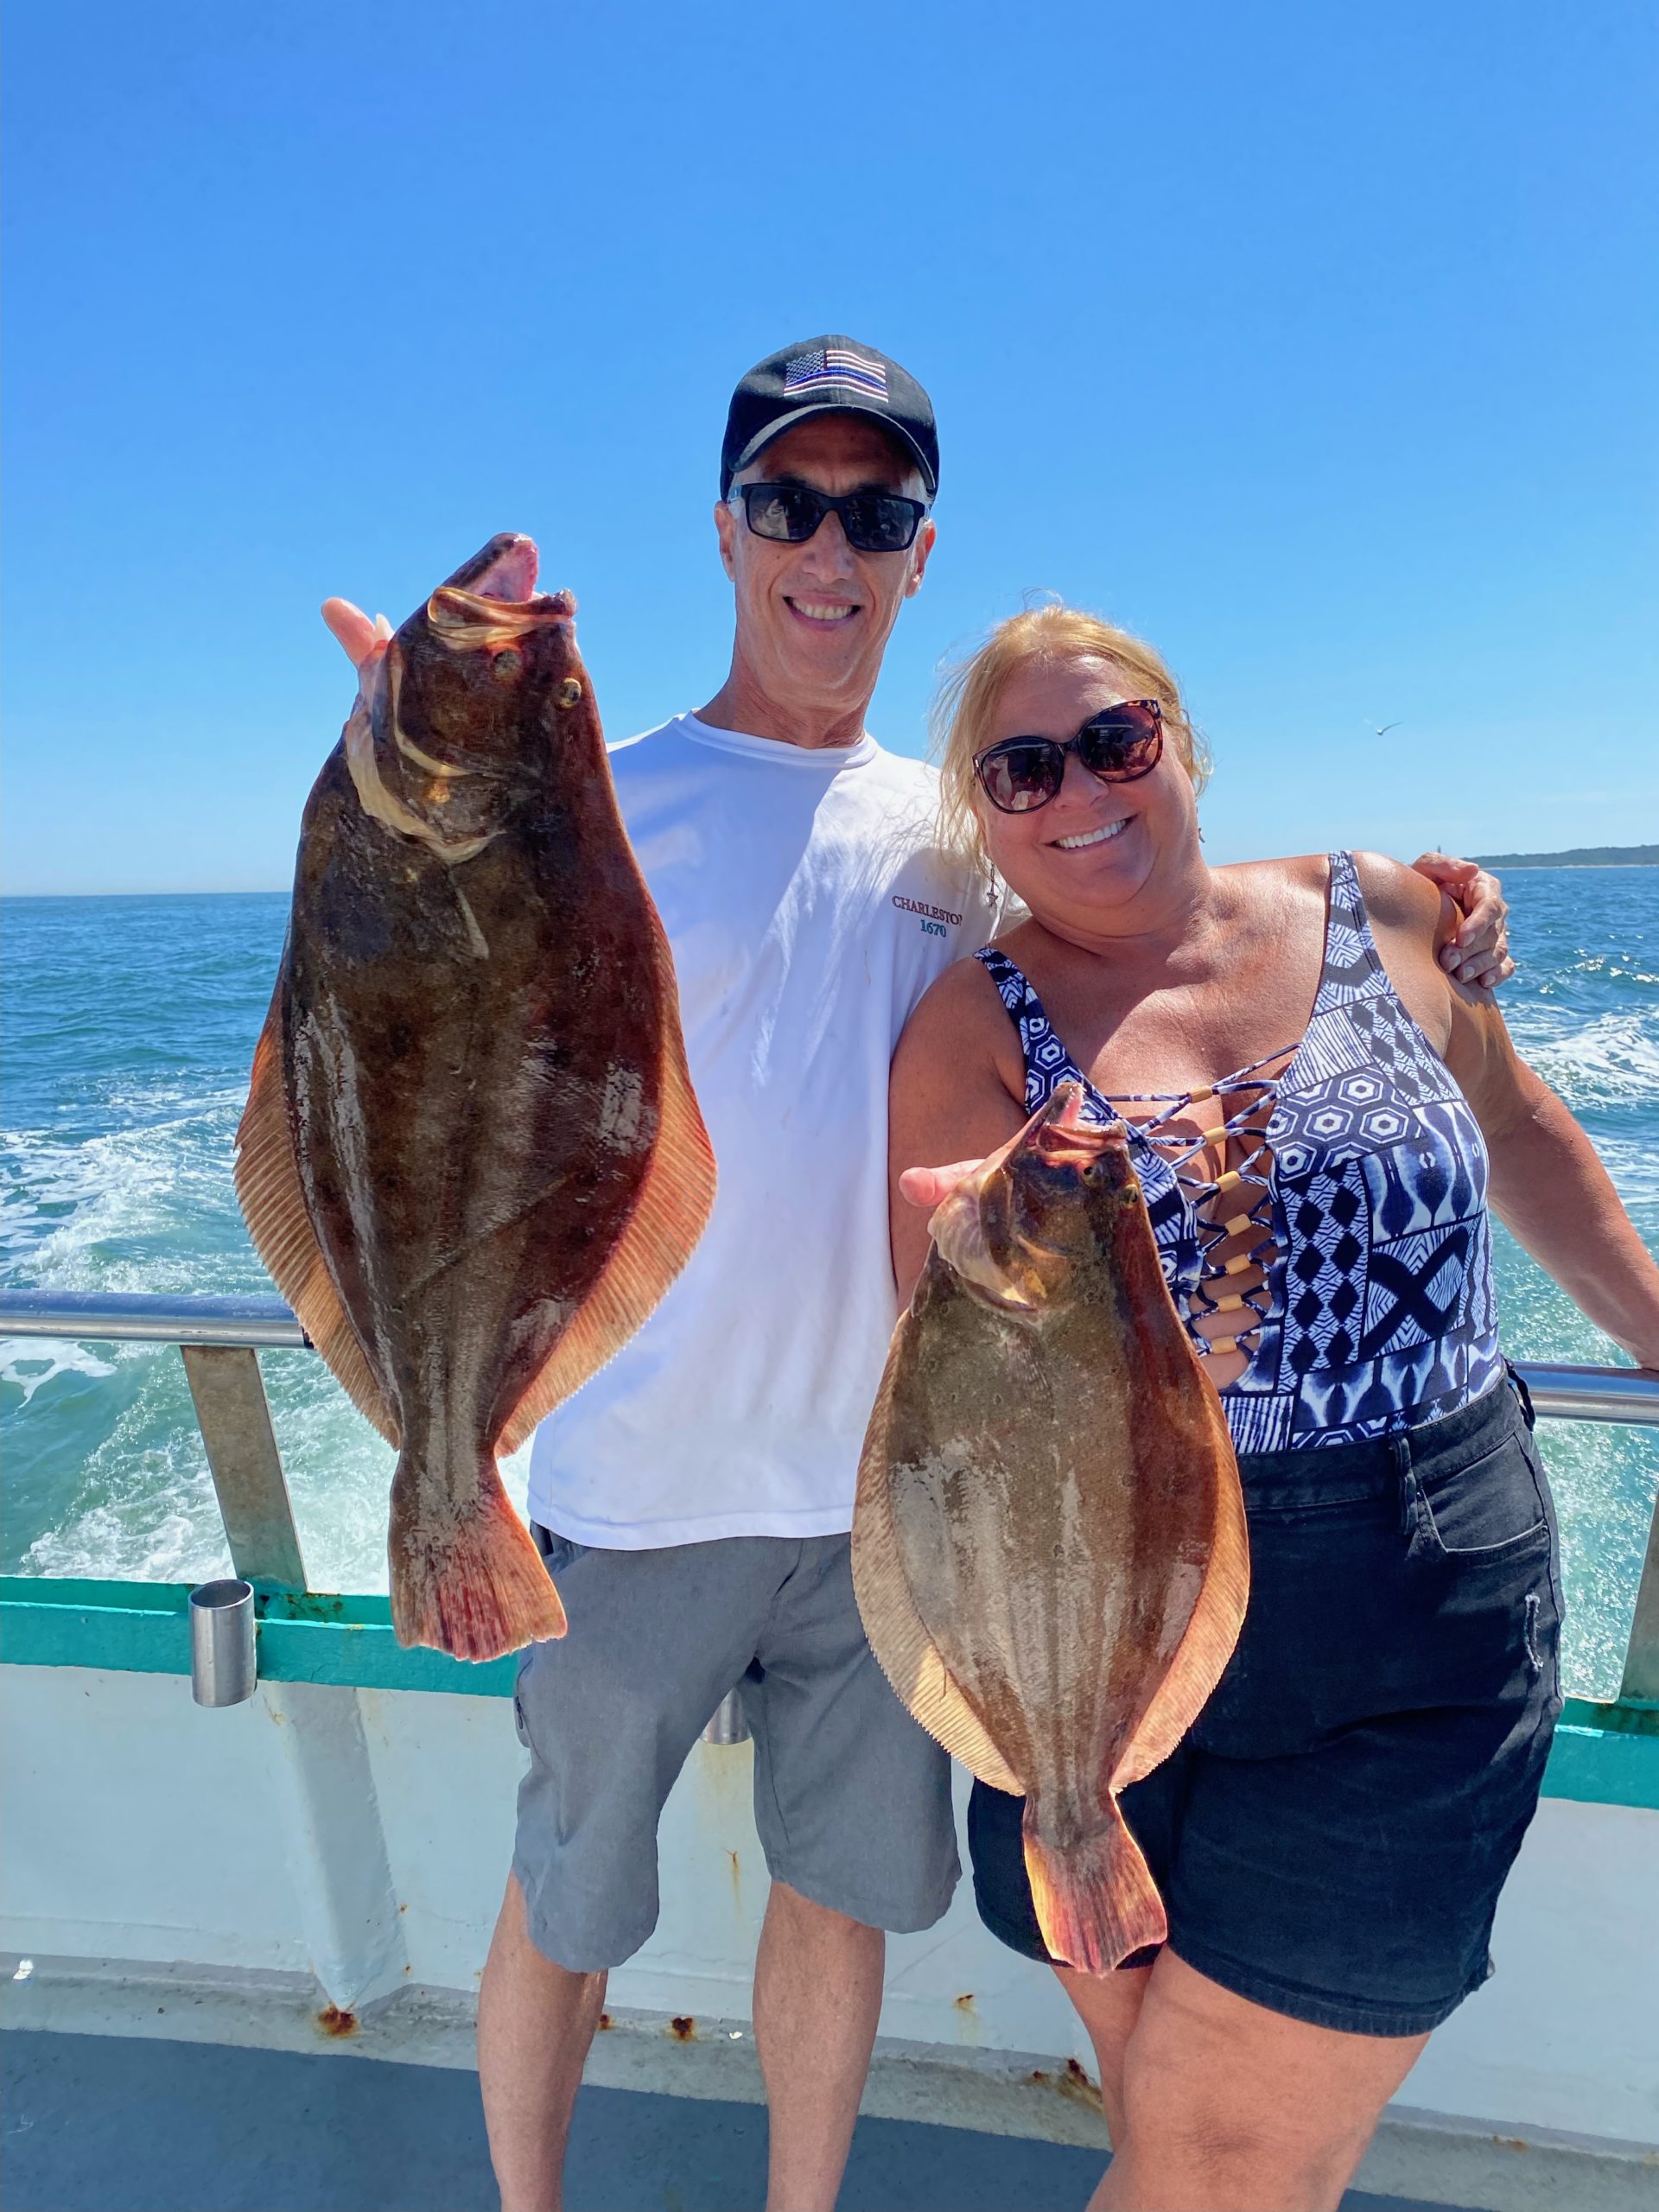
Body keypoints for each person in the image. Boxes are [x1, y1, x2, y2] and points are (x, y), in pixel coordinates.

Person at [322, 343, 1511, 2212]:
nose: (828, 546)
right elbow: (419, 1003)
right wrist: (414, 778)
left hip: (901, 1499)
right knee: (566, 1897)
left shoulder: (956, 835)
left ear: (917, 551)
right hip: (631, 1480)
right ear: (727, 531)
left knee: (840, 1892)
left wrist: (1403, 889)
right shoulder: (599, 800)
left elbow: (1135, 881)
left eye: (872, 514)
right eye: (789, 502)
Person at [888, 602, 1659, 2212]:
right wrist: (1049, 1283)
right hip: (1093, 1616)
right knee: (1190, 2146)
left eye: (1115, 740)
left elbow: (1517, 1130)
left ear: (1179, 743)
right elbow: (940, 1367)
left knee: (1220, 2164)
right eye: (1024, 769)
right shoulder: (972, 1029)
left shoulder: (1380, 908)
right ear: (986, 816)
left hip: (1414, 1599)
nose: (1080, 791)